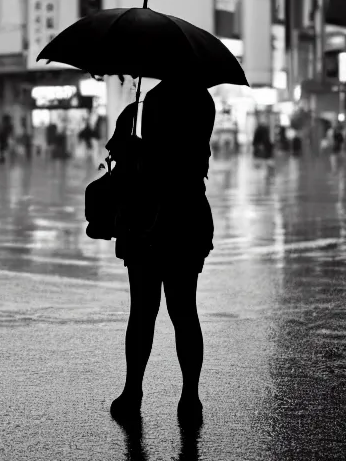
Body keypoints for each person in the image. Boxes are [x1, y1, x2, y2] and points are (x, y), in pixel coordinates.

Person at [109, 80, 215, 429]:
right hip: (188, 216)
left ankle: (133, 390)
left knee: (142, 309)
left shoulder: (146, 104)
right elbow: (196, 160)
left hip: (147, 219)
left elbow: (130, 158)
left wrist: (133, 127)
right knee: (184, 309)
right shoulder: (203, 101)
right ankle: (190, 396)